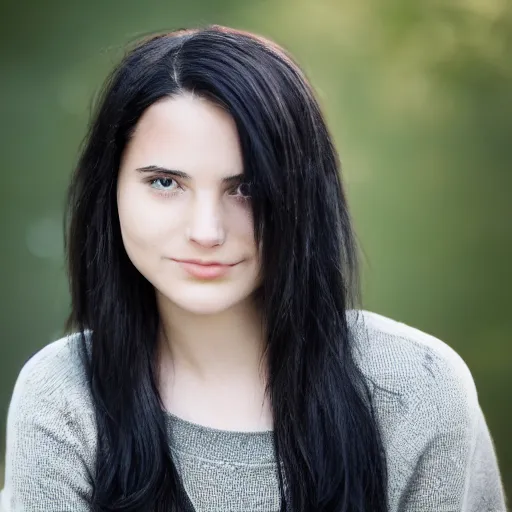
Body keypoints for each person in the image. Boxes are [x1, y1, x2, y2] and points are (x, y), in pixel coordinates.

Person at [0, 24, 507, 512]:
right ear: (109, 191)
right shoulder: (63, 396)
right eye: (164, 183)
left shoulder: (415, 389)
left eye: (245, 188)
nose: (206, 230)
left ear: (303, 197)